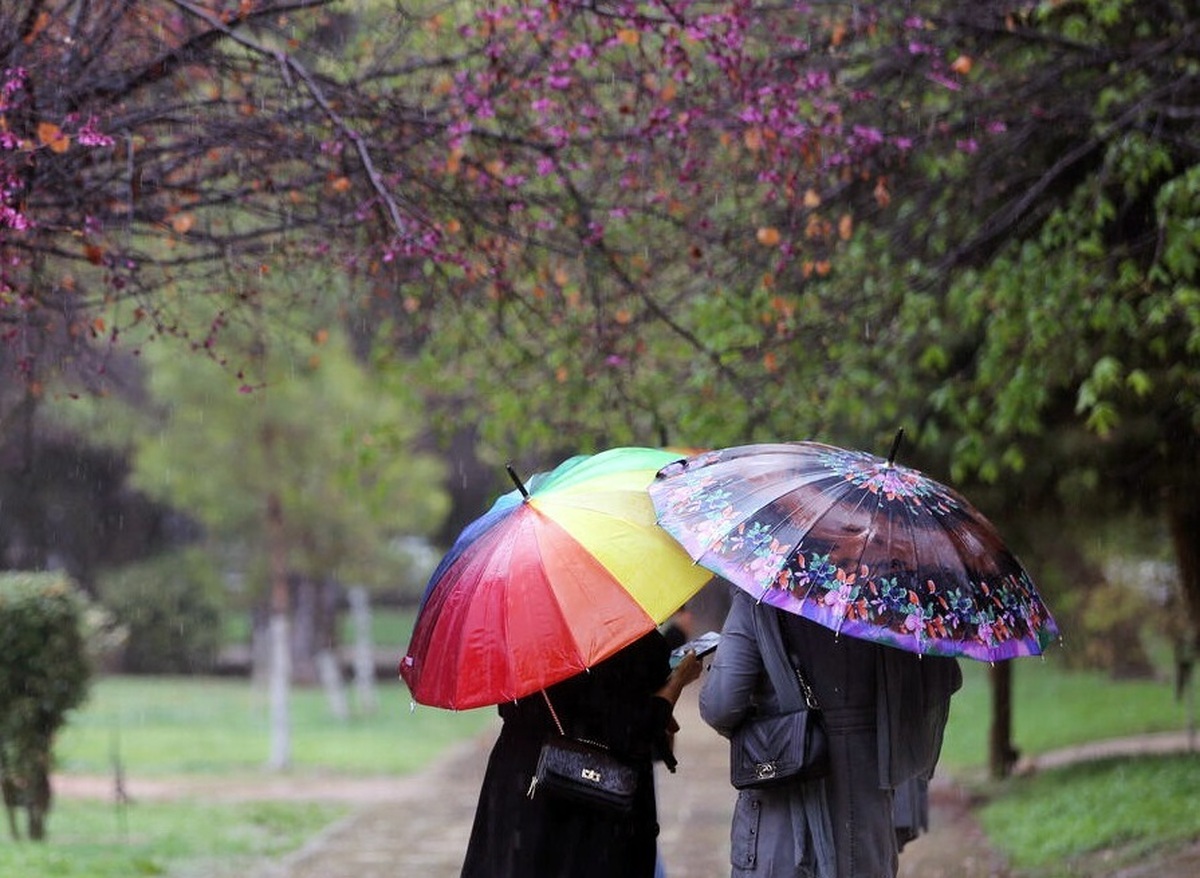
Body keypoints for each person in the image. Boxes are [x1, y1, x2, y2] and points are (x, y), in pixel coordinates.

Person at [700, 588, 962, 878]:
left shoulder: (760, 596)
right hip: (865, 809)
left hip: (782, 815)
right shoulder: (889, 597)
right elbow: (925, 688)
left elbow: (721, 705)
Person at [460, 629, 703, 878]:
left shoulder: (516, 630)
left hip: (519, 775)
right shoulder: (621, 632)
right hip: (593, 795)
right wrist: (677, 681)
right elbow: (636, 726)